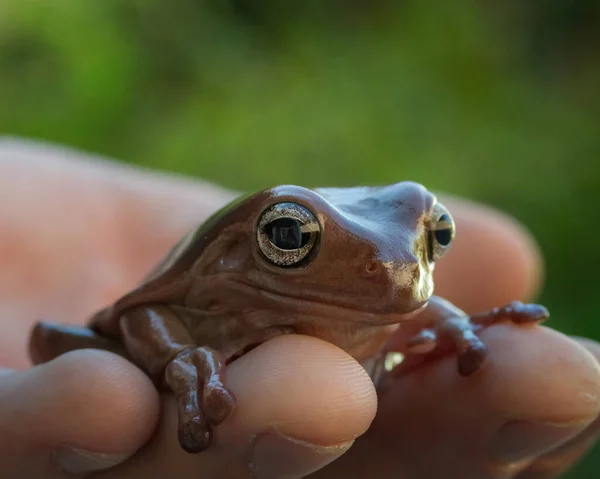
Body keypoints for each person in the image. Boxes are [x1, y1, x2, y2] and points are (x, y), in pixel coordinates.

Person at [0, 137, 598, 479]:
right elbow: (136, 318)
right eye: (291, 238)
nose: (396, 268)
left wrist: (459, 326)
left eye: (433, 237)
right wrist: (180, 358)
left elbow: (415, 305)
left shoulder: (391, 285)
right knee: (97, 391)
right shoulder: (220, 288)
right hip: (134, 343)